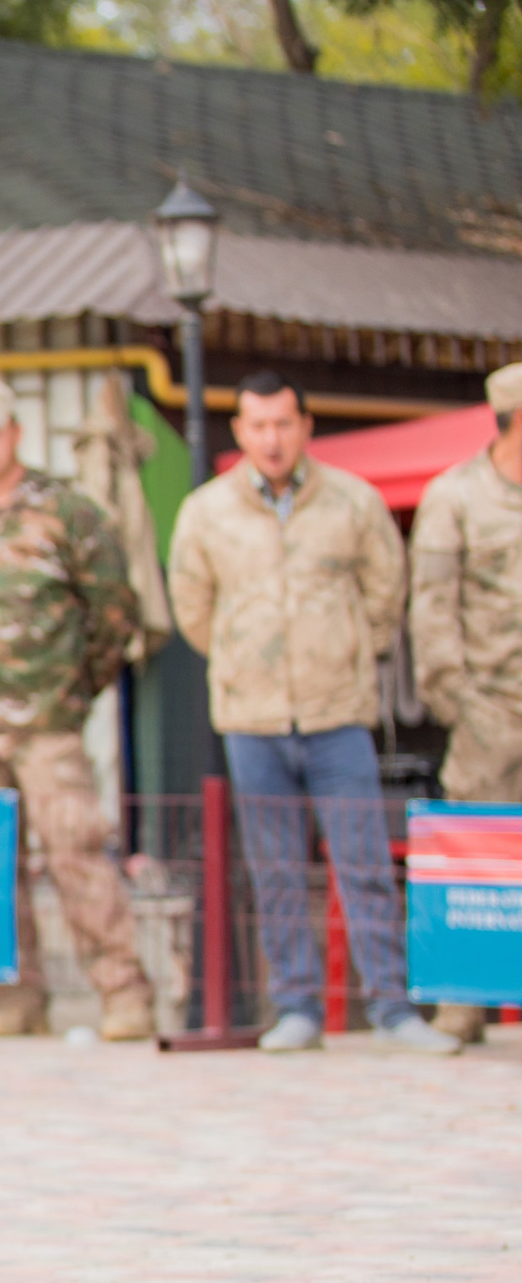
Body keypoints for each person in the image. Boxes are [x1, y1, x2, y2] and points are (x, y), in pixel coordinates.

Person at [167, 370, 460, 1055]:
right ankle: (295, 1006)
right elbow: (193, 607)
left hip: (337, 714)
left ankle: (392, 1005)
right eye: (257, 426)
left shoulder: (353, 502)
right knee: (273, 868)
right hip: (253, 718)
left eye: (283, 424)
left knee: (361, 864)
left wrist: (349, 652)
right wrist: (246, 660)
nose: (271, 439)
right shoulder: (207, 512)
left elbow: (386, 592)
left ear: (304, 427)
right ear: (239, 431)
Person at [0, 378, 156, 1042]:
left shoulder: (69, 512)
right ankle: (21, 999)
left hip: (48, 725)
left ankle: (123, 993)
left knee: (77, 853)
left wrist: (76, 690)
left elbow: (114, 611)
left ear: (15, 432)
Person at [405, 361, 522, 1046]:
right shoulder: (454, 497)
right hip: (488, 709)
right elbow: (432, 614)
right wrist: (465, 706)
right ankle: (462, 1004)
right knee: (476, 854)